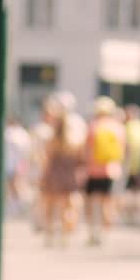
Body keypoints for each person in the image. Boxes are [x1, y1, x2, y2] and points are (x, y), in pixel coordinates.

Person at [39, 106, 85, 246]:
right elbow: (80, 160)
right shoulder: (74, 141)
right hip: (68, 177)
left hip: (53, 176)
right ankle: (64, 236)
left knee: (50, 207)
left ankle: (49, 235)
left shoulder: (51, 140)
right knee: (67, 207)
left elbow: (45, 159)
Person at [84, 96, 125, 246]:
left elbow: (87, 150)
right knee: (108, 203)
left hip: (93, 170)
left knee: (91, 202)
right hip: (112, 170)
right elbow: (122, 150)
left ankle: (93, 232)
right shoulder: (118, 127)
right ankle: (106, 234)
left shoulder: (93, 126)